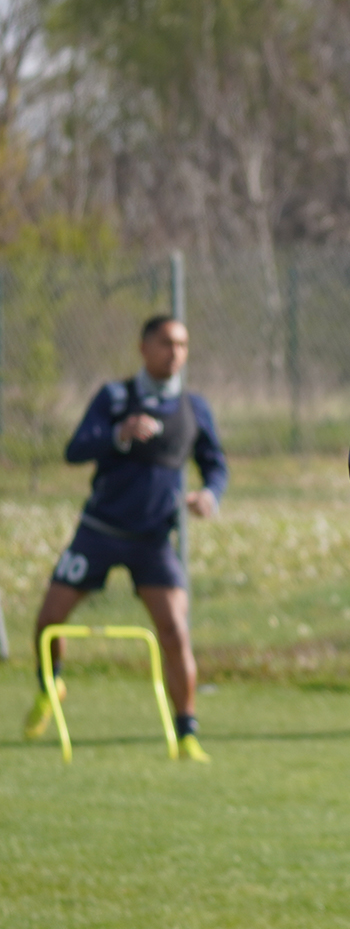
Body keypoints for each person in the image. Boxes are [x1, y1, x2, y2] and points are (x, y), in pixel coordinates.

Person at [24, 315, 228, 761]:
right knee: (47, 621)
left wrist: (209, 496)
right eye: (166, 343)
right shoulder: (115, 397)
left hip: (153, 541)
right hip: (98, 532)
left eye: (182, 345)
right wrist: (119, 434)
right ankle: (50, 686)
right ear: (143, 348)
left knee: (175, 632)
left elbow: (216, 465)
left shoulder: (194, 407)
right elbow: (75, 449)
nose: (175, 353)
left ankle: (187, 734)